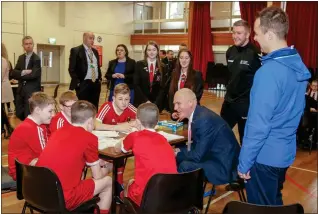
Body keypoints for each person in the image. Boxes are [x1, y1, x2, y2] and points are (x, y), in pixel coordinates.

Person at [238, 6, 311, 206]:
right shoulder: (297, 65)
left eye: (257, 33)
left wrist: (244, 162)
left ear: (270, 34)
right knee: (273, 203)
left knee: (261, 208)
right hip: (284, 154)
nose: (255, 37)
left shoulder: (269, 72)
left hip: (264, 157)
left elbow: (258, 125)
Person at [36, 101, 112, 213]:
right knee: (108, 181)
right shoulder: (90, 138)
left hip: (38, 193)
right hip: (62, 198)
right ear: (91, 121)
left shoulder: (58, 132)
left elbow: (69, 157)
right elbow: (97, 176)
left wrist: (94, 162)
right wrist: (109, 167)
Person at [173, 88, 240, 186]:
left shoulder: (203, 120)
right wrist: (179, 151)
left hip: (224, 166)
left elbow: (197, 156)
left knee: (184, 165)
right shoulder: (199, 114)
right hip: (214, 156)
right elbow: (199, 146)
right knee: (179, 156)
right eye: (175, 104)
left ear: (190, 103)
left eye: (178, 103)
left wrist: (177, 154)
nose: (175, 107)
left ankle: (184, 199)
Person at [118, 103, 177, 206]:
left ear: (137, 122)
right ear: (157, 122)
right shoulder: (163, 138)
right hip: (169, 193)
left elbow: (119, 148)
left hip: (147, 195)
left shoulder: (134, 136)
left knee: (129, 183)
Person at [221, 20, 262, 145]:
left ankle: (245, 164)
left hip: (246, 104)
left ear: (248, 34)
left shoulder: (255, 53)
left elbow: (260, 81)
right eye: (233, 33)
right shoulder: (230, 52)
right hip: (229, 102)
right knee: (220, 133)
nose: (235, 36)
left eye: (239, 33)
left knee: (245, 140)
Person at [8, 92, 55, 180]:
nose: (53, 115)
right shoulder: (32, 128)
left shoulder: (34, 125)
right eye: (50, 111)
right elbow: (47, 156)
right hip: (23, 173)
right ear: (37, 110)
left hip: (24, 168)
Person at [10, 36, 42, 121]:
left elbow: (33, 75)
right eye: (26, 44)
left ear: (33, 45)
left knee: (28, 115)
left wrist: (19, 74)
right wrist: (24, 72)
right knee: (19, 113)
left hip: (31, 91)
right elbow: (13, 73)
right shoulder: (21, 58)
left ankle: (28, 132)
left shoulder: (36, 59)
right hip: (20, 91)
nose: (28, 45)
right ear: (23, 46)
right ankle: (20, 131)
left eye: (30, 43)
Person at [68, 32, 102, 109]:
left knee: (94, 106)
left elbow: (97, 66)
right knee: (83, 107)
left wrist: (100, 79)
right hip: (83, 84)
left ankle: (93, 120)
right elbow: (71, 69)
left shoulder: (95, 51)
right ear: (84, 38)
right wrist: (78, 83)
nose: (92, 40)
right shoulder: (76, 50)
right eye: (90, 38)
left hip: (95, 83)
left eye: (93, 38)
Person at [133, 41, 168, 111]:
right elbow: (136, 85)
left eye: (154, 50)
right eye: (149, 50)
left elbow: (163, 87)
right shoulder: (139, 64)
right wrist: (146, 101)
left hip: (156, 103)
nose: (151, 52)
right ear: (146, 51)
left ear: (157, 51)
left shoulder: (163, 67)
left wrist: (155, 103)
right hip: (141, 101)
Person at [1, 43, 14, 138]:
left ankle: (7, 129)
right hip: (3, 87)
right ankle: (7, 129)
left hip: (2, 88)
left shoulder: (2, 60)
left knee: (1, 110)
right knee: (1, 110)